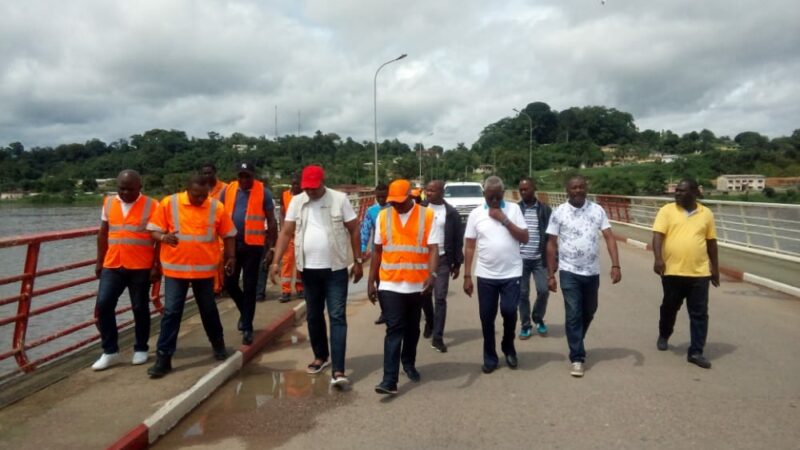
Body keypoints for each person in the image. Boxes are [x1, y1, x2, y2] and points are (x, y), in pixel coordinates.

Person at [270, 165, 363, 388]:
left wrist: (358, 261)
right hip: (308, 269)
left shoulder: (339, 200)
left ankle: (339, 370)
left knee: (337, 316)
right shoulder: (297, 201)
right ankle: (321, 356)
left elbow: (354, 228)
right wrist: (276, 261)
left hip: (335, 268)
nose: (310, 192)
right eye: (307, 188)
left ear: (322, 182)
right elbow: (286, 231)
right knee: (313, 315)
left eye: (313, 187)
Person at [146, 174, 236, 378]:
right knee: (172, 313)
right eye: (196, 196)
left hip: (204, 270)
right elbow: (153, 230)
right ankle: (164, 358)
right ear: (187, 190)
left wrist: (231, 257)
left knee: (208, 310)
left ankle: (218, 345)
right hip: (175, 270)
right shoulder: (170, 203)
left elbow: (229, 234)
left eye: (204, 195)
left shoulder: (216, 207)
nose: (200, 199)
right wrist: (164, 237)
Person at [368, 179, 440, 395]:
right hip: (390, 282)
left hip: (417, 284)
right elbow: (378, 251)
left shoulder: (427, 215)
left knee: (412, 329)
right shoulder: (383, 215)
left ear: (410, 196)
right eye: (393, 202)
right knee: (393, 329)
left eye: (400, 201)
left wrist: (432, 274)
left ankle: (408, 362)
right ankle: (389, 380)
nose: (396, 206)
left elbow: (433, 249)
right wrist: (372, 280)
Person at [546, 175, 621, 378]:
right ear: (567, 190)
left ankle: (577, 337)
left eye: (581, 187)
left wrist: (616, 264)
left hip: (592, 271)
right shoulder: (559, 212)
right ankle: (577, 357)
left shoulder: (597, 210)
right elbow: (551, 243)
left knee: (589, 310)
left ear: (586, 188)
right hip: (569, 270)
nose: (578, 190)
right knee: (573, 313)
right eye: (574, 187)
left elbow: (609, 237)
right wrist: (550, 273)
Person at [91, 170, 160, 370]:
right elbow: (103, 233)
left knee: (139, 307)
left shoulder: (152, 205)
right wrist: (99, 261)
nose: (125, 192)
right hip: (113, 264)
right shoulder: (109, 203)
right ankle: (110, 351)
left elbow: (159, 239)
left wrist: (156, 266)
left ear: (140, 187)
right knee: (103, 305)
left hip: (140, 266)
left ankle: (141, 348)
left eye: (130, 189)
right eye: (121, 188)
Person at [463, 176, 528, 374]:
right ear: (484, 194)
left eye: (497, 197)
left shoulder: (514, 210)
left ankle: (508, 346)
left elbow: (524, 237)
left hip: (511, 272)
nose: (493, 201)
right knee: (486, 316)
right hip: (486, 274)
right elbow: (470, 246)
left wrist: (504, 219)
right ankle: (490, 356)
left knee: (509, 311)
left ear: (503, 193)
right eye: (490, 197)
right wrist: (467, 276)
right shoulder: (475, 214)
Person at [652, 179, 720, 369]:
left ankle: (696, 351)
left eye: (682, 191)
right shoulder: (667, 210)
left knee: (699, 313)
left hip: (699, 272)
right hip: (672, 271)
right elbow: (658, 235)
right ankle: (664, 333)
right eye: (677, 191)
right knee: (669, 307)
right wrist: (658, 258)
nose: (678, 194)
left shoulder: (706, 214)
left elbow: (711, 243)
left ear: (695, 192)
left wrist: (715, 268)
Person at [220, 162, 278, 345]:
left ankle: (247, 327)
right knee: (229, 283)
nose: (244, 179)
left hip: (253, 246)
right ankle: (245, 312)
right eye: (241, 176)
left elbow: (272, 220)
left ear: (253, 175)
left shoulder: (264, 192)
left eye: (247, 176)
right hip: (232, 245)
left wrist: (272, 248)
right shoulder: (228, 190)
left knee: (250, 286)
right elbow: (219, 216)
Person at [421, 180, 464, 353]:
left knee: (440, 298)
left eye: (432, 190)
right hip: (422, 259)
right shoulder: (420, 208)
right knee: (424, 295)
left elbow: (457, 239)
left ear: (441, 192)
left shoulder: (451, 213)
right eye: (427, 190)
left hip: (443, 259)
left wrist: (457, 263)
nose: (428, 193)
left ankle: (437, 337)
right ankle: (430, 322)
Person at [516, 177, 553, 339]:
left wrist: (554, 258)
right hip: (520, 259)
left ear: (534, 189)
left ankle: (538, 317)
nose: (523, 192)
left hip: (540, 259)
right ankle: (525, 324)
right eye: (521, 190)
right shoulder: (515, 210)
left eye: (526, 189)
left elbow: (552, 237)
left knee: (544, 290)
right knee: (522, 294)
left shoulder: (545, 210)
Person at [359, 183, 389, 324]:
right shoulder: (371, 211)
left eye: (384, 196)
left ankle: (397, 310)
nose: (382, 199)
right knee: (379, 283)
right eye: (379, 197)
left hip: (393, 253)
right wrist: (362, 248)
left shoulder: (395, 208)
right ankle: (384, 312)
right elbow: (365, 230)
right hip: (378, 252)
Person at [200, 163, 228, 295]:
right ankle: (214, 287)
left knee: (220, 257)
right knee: (207, 258)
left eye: (209, 173)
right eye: (204, 173)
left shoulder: (225, 189)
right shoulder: (200, 189)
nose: (206, 176)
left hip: (221, 228)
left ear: (215, 172)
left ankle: (220, 287)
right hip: (204, 230)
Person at [278, 172, 304, 302]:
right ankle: (285, 290)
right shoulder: (285, 196)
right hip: (289, 235)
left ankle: (300, 288)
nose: (294, 186)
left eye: (297, 183)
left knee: (301, 262)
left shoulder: (306, 197)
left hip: (301, 235)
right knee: (287, 262)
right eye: (293, 183)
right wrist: (283, 229)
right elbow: (282, 213)